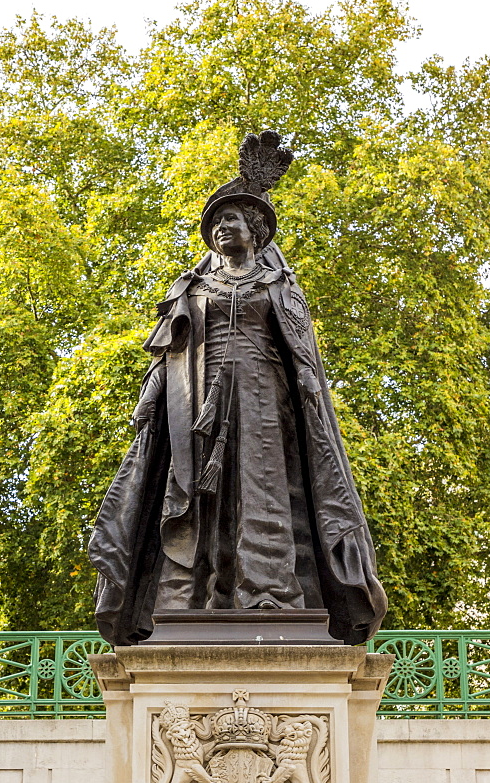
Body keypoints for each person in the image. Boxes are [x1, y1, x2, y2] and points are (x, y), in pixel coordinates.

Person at [89, 131, 387, 645]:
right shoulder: (192, 287)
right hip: (198, 399)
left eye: (233, 220)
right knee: (196, 496)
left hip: (265, 402)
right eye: (217, 222)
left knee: (264, 493)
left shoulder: (277, 287)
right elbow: (170, 350)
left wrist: (311, 401)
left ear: (255, 232)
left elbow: (301, 354)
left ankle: (267, 593)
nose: (223, 227)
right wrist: (150, 397)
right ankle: (191, 598)